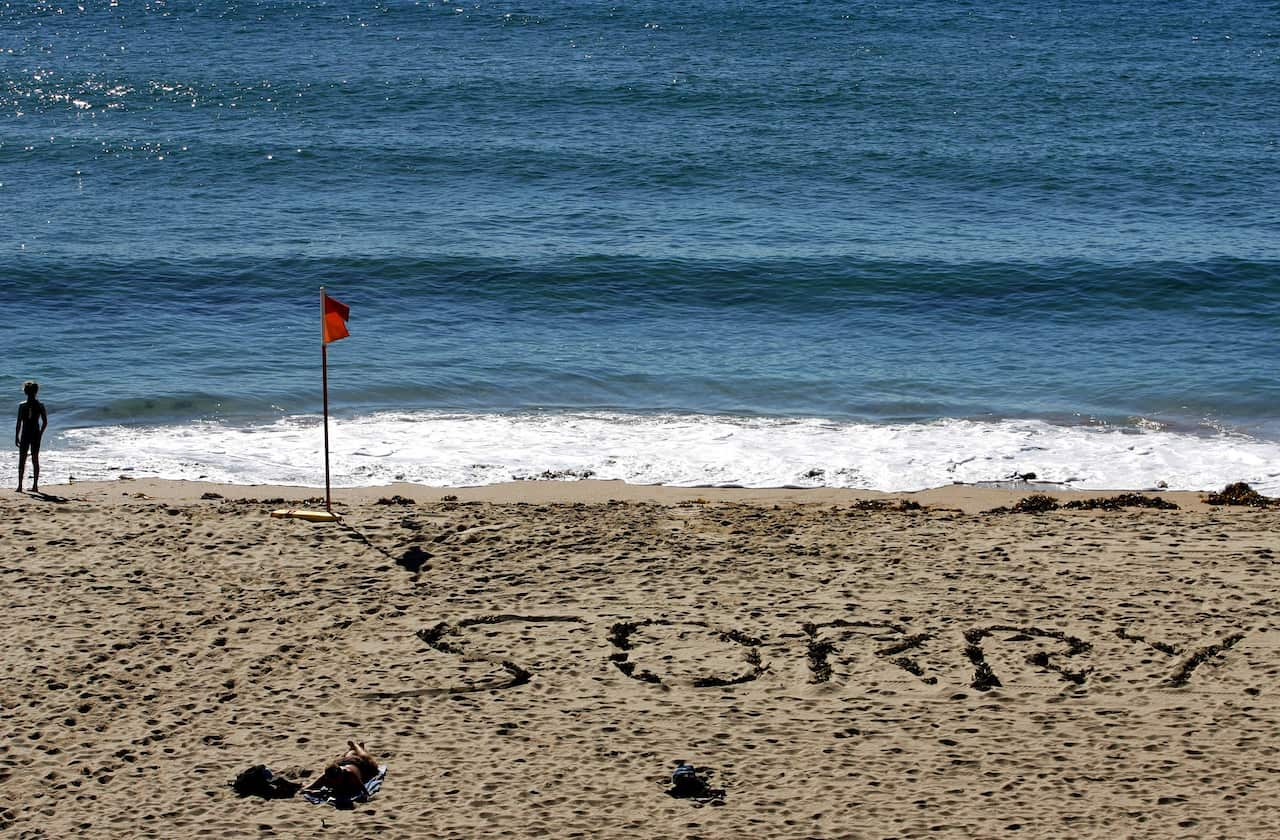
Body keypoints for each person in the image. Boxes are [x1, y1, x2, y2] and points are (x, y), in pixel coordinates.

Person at [302, 740, 380, 800]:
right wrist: (307, 790)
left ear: (341, 774)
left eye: (336, 780)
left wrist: (365, 797)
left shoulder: (350, 774)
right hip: (342, 762)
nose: (334, 782)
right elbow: (311, 786)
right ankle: (352, 749)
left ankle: (356, 746)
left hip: (357, 764)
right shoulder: (327, 776)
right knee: (349, 755)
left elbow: (363, 790)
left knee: (368, 761)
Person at [15, 380, 47, 493]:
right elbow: (45, 422)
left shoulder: (22, 405)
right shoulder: (40, 405)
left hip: (25, 434)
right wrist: (41, 433)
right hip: (35, 434)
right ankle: (35, 486)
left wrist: (16, 436)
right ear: (36, 392)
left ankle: (19, 486)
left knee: (22, 459)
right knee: (35, 459)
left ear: (25, 392)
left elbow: (19, 422)